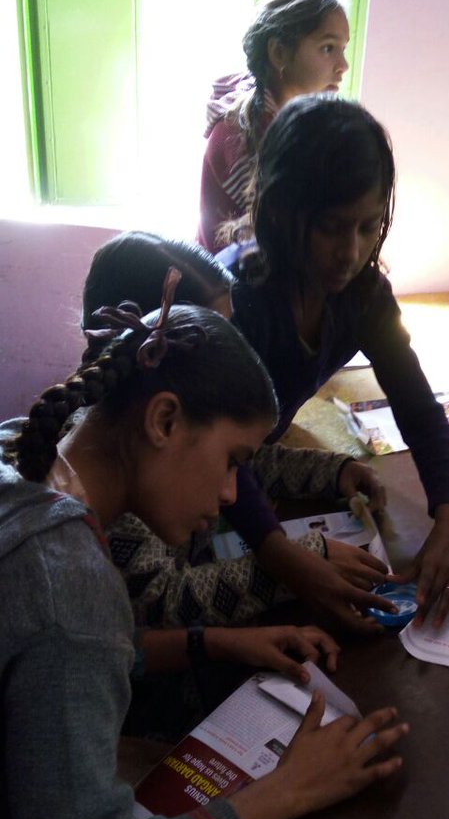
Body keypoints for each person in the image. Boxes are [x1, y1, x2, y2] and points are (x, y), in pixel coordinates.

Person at [0, 281, 408, 819]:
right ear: (163, 421)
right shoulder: (66, 583)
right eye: (230, 463)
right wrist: (287, 791)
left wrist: (210, 640)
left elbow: (46, 666)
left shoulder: (21, 451)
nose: (232, 497)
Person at [81, 233, 395, 726]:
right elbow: (167, 603)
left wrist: (331, 471)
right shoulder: (102, 508)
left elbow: (243, 459)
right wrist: (295, 563)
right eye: (219, 334)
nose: (239, 353)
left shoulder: (107, 446)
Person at [219, 94, 449, 627]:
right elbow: (218, 456)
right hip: (194, 489)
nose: (351, 251)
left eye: (368, 226)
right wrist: (284, 556)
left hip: (247, 466)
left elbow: (418, 407)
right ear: (283, 212)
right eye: (332, 227)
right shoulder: (236, 301)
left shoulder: (362, 294)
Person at [197, 0, 349, 252]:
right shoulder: (240, 135)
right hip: (226, 285)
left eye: (343, 49)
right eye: (328, 48)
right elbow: (286, 238)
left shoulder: (291, 115)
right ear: (279, 53)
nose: (343, 65)